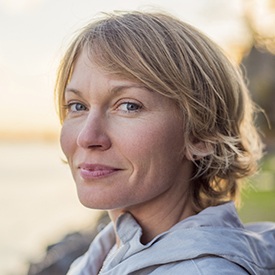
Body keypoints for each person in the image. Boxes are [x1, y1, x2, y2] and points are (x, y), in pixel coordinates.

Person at [55, 11, 275, 274]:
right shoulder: (103, 253)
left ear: (201, 136)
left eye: (128, 106)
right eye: (77, 106)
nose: (87, 137)